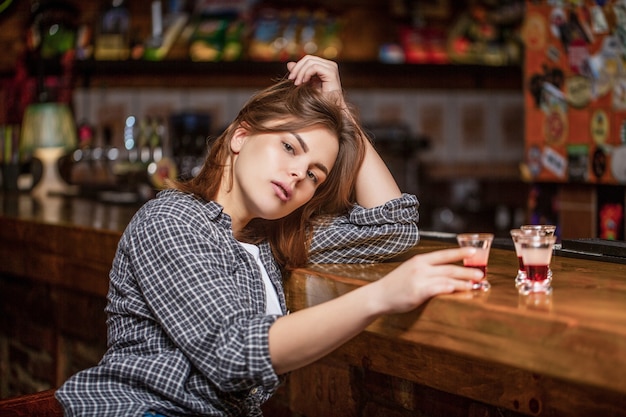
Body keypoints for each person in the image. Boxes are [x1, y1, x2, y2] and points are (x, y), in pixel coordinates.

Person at [56, 56, 482, 416]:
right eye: (290, 147)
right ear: (241, 135)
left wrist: (342, 113)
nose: (300, 173)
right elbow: (232, 353)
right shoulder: (170, 219)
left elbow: (391, 228)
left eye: (315, 174)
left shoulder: (269, 241)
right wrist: (381, 298)